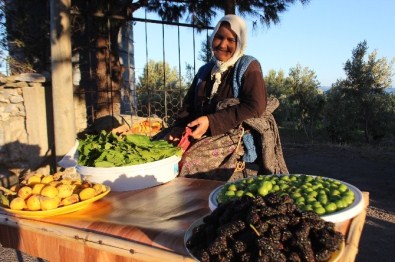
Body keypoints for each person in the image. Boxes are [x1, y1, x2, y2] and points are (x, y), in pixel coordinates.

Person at [164, 14, 288, 180]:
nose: (223, 44)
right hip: (202, 132)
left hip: (234, 136)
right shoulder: (205, 70)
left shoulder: (248, 66)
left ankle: (203, 204)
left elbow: (255, 106)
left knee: (189, 160)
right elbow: (188, 105)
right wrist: (178, 127)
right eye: (219, 37)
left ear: (240, 43)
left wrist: (211, 121)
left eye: (231, 39)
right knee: (161, 146)